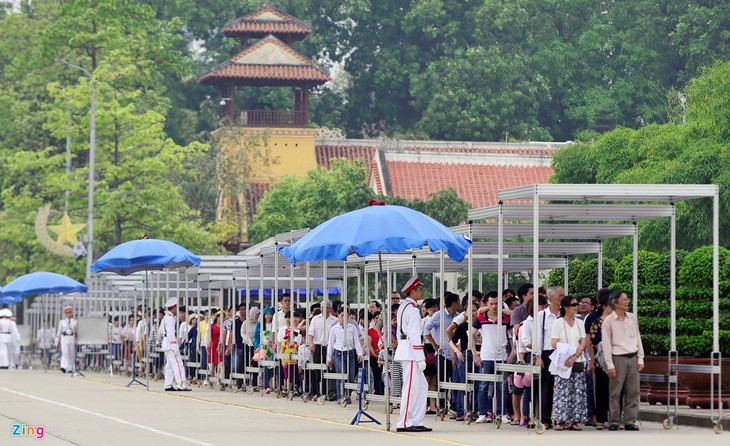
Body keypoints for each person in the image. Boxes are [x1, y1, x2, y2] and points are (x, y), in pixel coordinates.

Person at [602, 290, 644, 432]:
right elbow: (606, 344)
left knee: (633, 391)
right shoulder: (608, 321)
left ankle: (630, 420)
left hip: (632, 356)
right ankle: (614, 420)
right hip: (617, 357)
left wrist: (641, 357)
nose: (627, 302)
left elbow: (637, 337)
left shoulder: (632, 318)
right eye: (624, 299)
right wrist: (610, 364)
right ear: (615, 303)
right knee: (615, 391)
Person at [395, 276, 432, 433]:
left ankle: (416, 420)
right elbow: (415, 336)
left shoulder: (404, 307)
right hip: (411, 352)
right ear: (413, 291)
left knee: (421, 387)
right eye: (420, 289)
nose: (422, 292)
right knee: (410, 389)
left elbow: (399, 333)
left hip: (407, 349)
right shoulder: (412, 310)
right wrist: (420, 358)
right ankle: (404, 422)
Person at [549, 296, 588, 431]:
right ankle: (560, 419)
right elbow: (553, 342)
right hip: (563, 361)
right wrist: (566, 351)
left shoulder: (579, 323)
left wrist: (575, 354)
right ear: (565, 307)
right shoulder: (558, 323)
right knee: (562, 391)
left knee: (577, 391)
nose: (576, 307)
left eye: (577, 304)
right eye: (573, 305)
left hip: (577, 359)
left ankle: (574, 419)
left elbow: (583, 341)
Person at [585, 289, 612, 430]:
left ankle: (615, 417)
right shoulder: (594, 320)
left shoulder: (619, 319)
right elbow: (590, 341)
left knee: (615, 390)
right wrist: (591, 359)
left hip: (616, 359)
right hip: (600, 360)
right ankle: (600, 417)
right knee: (600, 389)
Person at [159, 298, 190, 391]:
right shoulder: (170, 318)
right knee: (178, 364)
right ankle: (181, 385)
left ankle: (168, 385)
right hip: (170, 343)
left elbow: (161, 331)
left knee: (170, 365)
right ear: (174, 307)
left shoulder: (166, 317)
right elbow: (171, 334)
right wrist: (174, 347)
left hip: (166, 342)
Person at [55, 306, 77, 373]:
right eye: (67, 313)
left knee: (71, 354)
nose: (68, 314)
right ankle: (63, 367)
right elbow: (58, 332)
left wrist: (77, 341)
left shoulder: (75, 321)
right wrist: (56, 343)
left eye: (70, 312)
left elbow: (76, 331)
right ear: (65, 313)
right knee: (65, 353)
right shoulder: (62, 322)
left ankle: (70, 368)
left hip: (72, 338)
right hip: (64, 338)